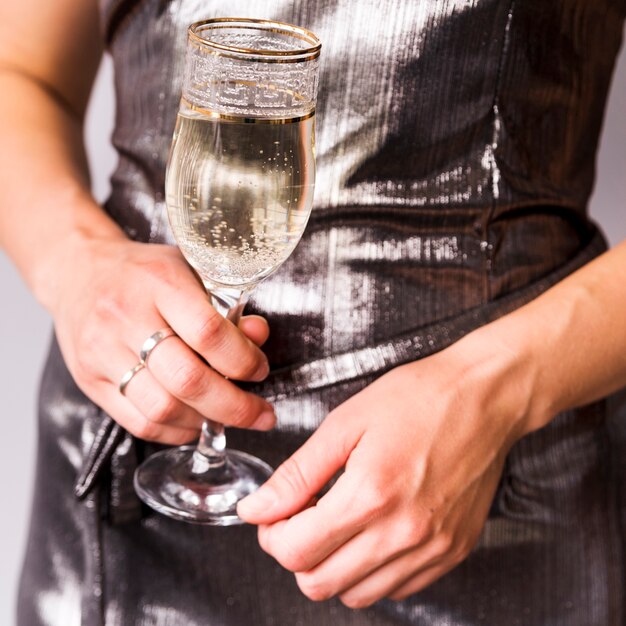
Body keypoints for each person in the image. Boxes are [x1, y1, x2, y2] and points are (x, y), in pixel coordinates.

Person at [1, 0, 625, 624]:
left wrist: (501, 390)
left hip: (486, 495)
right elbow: (19, 71)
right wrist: (75, 264)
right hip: (141, 448)